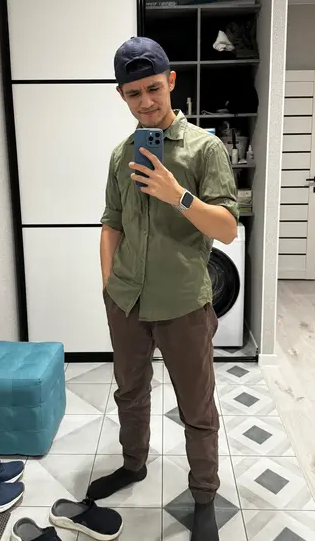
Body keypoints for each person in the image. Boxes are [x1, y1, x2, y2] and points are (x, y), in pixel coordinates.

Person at [87, 36, 239, 540]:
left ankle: (204, 497)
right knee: (129, 393)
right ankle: (133, 465)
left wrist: (179, 196)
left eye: (153, 88)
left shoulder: (205, 148)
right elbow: (111, 222)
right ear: (122, 95)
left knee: (197, 406)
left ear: (171, 81)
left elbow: (227, 229)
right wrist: (109, 285)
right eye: (133, 93)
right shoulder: (120, 155)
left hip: (183, 305)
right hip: (127, 301)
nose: (146, 101)